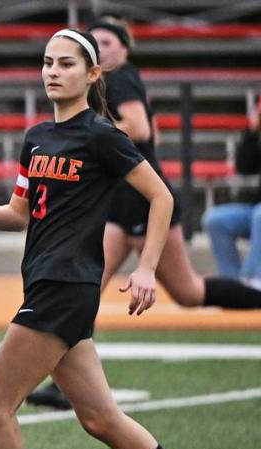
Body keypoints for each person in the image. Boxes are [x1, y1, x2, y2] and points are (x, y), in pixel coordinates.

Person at [0, 29, 225, 449]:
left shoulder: (101, 135)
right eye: (48, 62)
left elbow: (162, 196)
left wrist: (146, 268)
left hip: (64, 287)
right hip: (48, 283)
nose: (53, 71)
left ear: (92, 74)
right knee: (99, 417)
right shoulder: (37, 136)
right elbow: (21, 213)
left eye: (67, 63)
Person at [26, 17, 261, 411]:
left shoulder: (120, 79)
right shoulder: (106, 86)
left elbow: (140, 129)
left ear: (121, 50)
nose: (99, 46)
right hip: (120, 203)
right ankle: (67, 383)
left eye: (106, 42)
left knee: (187, 292)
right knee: (88, 288)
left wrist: (86, 133)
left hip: (142, 202)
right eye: (94, 41)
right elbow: (153, 130)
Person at [202, 100, 261, 287]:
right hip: (255, 209)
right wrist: (253, 131)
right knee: (215, 220)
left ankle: (253, 280)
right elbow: (243, 166)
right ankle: (233, 286)